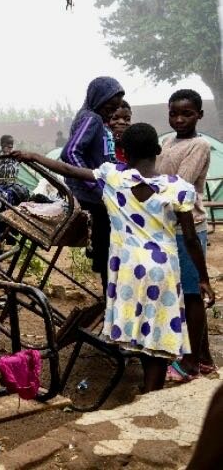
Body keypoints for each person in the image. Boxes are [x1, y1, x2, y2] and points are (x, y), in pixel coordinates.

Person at [14, 123, 215, 392]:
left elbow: (69, 170)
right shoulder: (177, 188)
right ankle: (150, 391)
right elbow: (190, 239)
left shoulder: (113, 177)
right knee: (156, 334)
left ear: (123, 153)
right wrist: (203, 277)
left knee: (139, 333)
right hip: (162, 270)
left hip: (128, 270)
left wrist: (35, 156)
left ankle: (148, 391)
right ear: (157, 149)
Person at [156, 89, 217, 380]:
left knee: (193, 295)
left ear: (199, 115)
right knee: (185, 294)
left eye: (187, 113)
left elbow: (179, 184)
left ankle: (190, 363)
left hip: (190, 227)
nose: (179, 119)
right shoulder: (167, 142)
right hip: (170, 227)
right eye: (173, 113)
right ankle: (204, 360)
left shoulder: (200, 145)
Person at [61, 76, 125, 292]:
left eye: (117, 107)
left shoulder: (97, 120)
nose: (114, 110)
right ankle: (111, 300)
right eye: (111, 104)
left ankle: (111, 297)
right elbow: (70, 152)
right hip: (93, 198)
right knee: (108, 251)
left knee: (108, 250)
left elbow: (103, 157)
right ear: (99, 98)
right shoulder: (92, 118)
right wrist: (94, 183)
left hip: (101, 195)